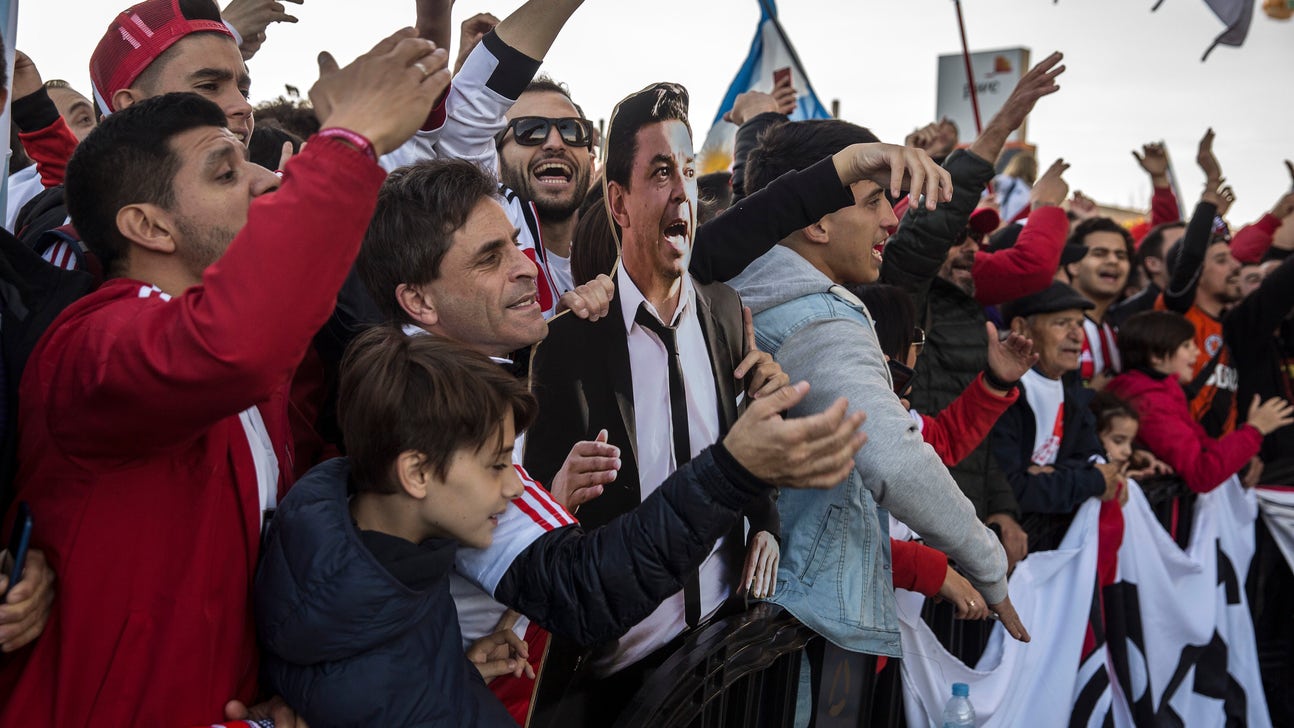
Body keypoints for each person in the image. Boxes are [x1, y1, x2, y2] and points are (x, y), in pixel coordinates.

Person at [0, 27, 452, 725]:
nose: (268, 178)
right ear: (148, 225)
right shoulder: (91, 346)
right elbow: (233, 345)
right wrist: (350, 141)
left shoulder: (266, 376)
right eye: (224, 170)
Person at [256, 328, 861, 725]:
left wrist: (451, 672)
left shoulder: (375, 558)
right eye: (497, 465)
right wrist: (730, 472)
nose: (517, 486)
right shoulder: (356, 637)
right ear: (415, 472)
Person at [991, 282, 1123, 552]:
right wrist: (1090, 481)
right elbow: (1012, 489)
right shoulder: (1003, 391)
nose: (1077, 336)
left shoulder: (1070, 386)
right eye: (1062, 323)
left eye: (1079, 324)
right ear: (1021, 328)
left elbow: (1096, 457)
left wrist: (1057, 476)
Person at [1106, 311, 1293, 493]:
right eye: (1187, 345)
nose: (1196, 352)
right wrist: (1255, 430)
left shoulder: (1162, 394)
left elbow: (1202, 445)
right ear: (1156, 356)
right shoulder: (1149, 404)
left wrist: (1242, 453)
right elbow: (1200, 473)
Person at [1063, 217, 1134, 387]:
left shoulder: (1121, 330)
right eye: (1099, 253)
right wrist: (1091, 395)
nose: (1113, 261)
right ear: (1074, 265)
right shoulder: (1055, 326)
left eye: (1121, 255)